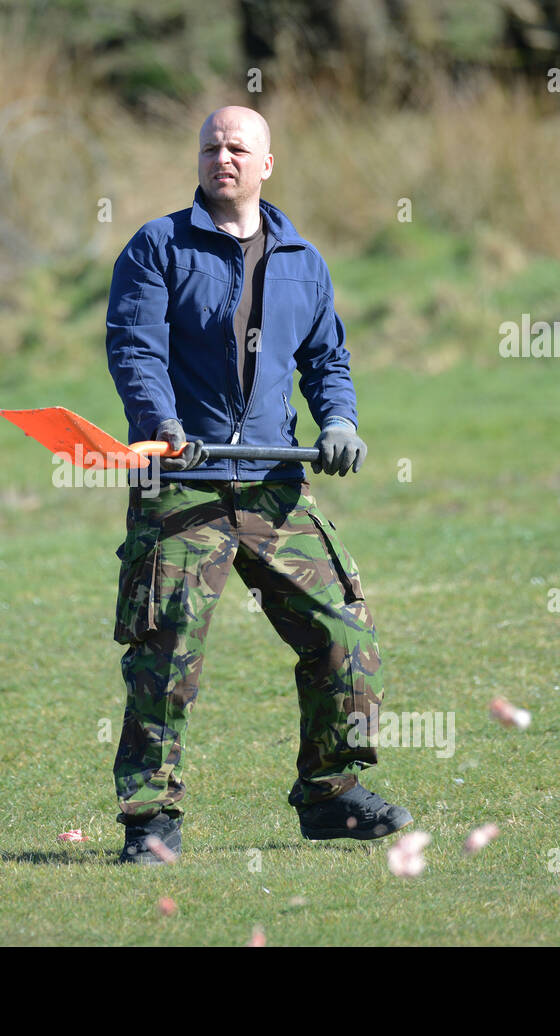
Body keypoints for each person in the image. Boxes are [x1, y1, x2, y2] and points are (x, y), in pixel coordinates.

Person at [105, 105, 413, 864]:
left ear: (266, 163)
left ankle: (331, 795)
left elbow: (326, 361)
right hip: (184, 482)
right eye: (211, 146)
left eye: (238, 146)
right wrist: (161, 422)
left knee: (345, 635)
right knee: (166, 650)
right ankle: (151, 820)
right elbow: (135, 348)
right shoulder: (158, 247)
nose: (223, 157)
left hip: (276, 485)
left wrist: (338, 421)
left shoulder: (303, 258)